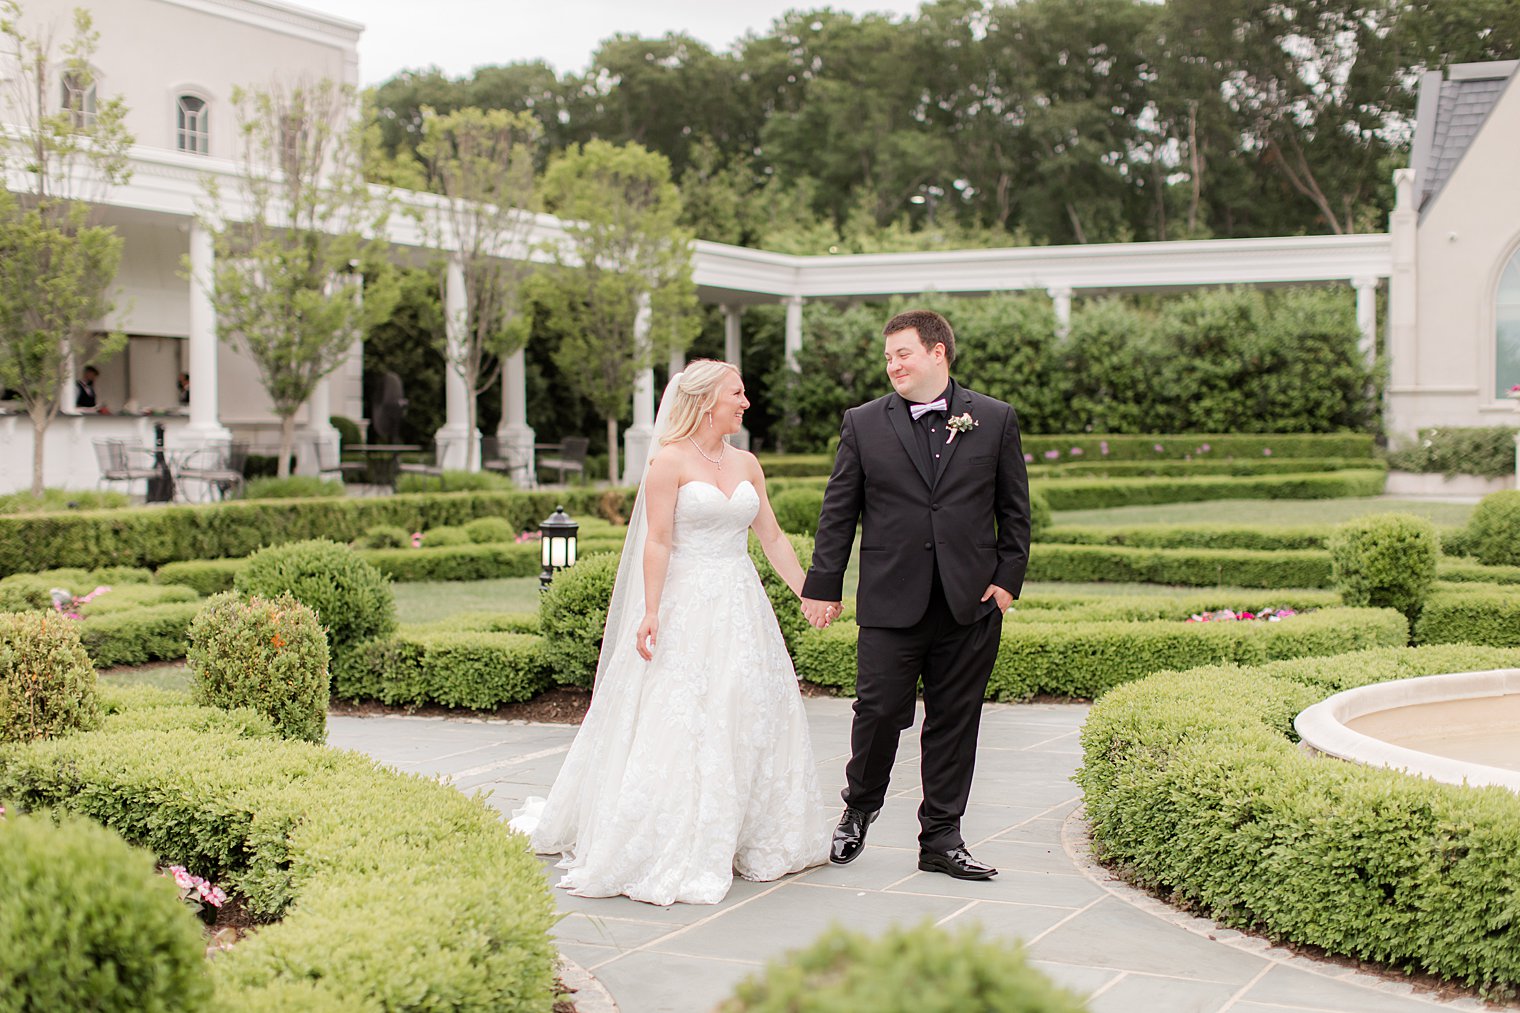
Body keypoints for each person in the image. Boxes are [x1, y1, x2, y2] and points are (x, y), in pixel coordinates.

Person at [510, 360, 830, 905]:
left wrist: (807, 591)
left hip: (740, 603)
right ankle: (675, 834)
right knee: (684, 715)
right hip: (685, 604)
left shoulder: (748, 463)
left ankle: (749, 831)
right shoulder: (669, 462)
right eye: (738, 393)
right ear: (707, 401)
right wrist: (651, 610)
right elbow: (656, 542)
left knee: (745, 708)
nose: (746, 402)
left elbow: (772, 537)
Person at [801, 309, 1031, 881]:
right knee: (877, 712)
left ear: (937, 352)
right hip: (890, 598)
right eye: (887, 357)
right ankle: (859, 808)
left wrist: (1006, 582)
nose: (892, 365)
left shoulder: (994, 419)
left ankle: (942, 840)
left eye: (901, 353)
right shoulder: (862, 423)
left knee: (956, 719)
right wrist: (823, 588)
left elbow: (1014, 511)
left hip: (969, 602)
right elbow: (838, 514)